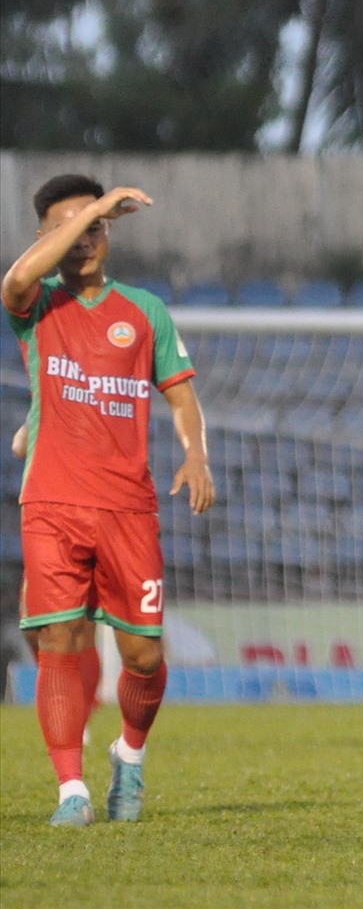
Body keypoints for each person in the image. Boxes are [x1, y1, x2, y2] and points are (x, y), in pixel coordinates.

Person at [5, 174, 215, 827]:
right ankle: (72, 788)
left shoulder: (145, 312)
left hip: (128, 507)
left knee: (144, 655)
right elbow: (13, 281)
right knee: (61, 639)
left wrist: (195, 452)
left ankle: (130, 751)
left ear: (110, 235)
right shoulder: (35, 304)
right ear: (49, 237)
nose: (86, 239)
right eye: (72, 227)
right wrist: (94, 205)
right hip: (53, 503)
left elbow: (181, 395)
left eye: (97, 226)